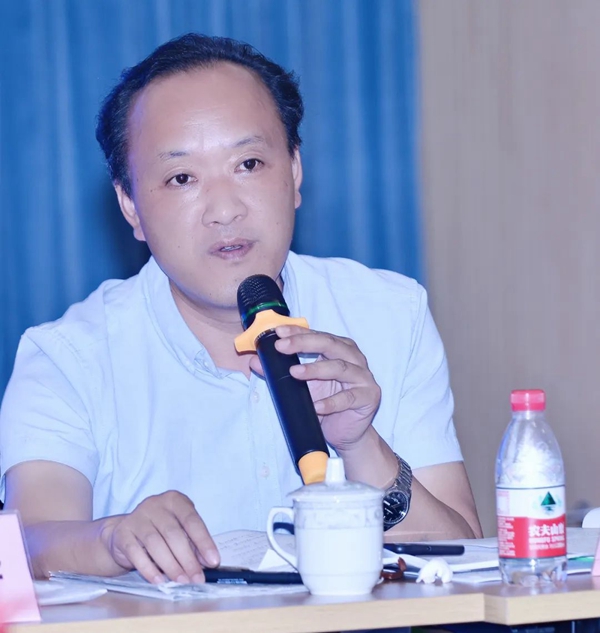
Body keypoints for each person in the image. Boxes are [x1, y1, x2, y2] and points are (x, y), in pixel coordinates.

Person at [0, 33, 482, 585]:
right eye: (182, 178)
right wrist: (114, 537)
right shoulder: (68, 356)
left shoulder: (390, 314)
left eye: (249, 163)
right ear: (130, 205)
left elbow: (464, 553)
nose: (225, 209)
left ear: (294, 172)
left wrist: (361, 445)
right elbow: (26, 544)